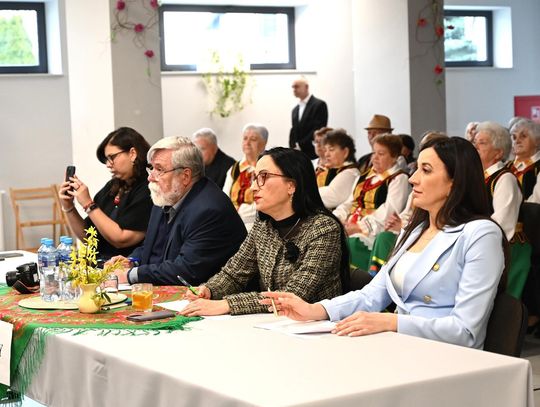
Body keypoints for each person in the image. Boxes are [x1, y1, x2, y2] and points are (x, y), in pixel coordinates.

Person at [263, 137, 507, 349]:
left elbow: (465, 331)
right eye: (417, 169)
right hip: (404, 344)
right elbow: (372, 295)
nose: (413, 179)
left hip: (448, 355)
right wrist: (315, 310)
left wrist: (392, 322)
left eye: (426, 170)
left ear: (455, 180)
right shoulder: (414, 231)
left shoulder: (480, 234)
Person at [180, 147, 349, 317]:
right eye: (255, 178)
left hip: (316, 327)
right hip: (273, 324)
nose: (253, 187)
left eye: (263, 177)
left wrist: (227, 304)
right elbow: (234, 274)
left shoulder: (324, 229)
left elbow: (292, 295)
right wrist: (209, 290)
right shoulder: (263, 225)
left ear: (291, 185)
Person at [109, 136, 247, 286]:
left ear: (185, 176)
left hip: (209, 295)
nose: (150, 178)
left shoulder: (209, 210)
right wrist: (132, 261)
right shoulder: (166, 197)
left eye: (159, 170)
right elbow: (152, 247)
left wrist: (130, 275)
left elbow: (186, 271)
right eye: (151, 168)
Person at [59, 127, 153, 259]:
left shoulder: (149, 188)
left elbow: (121, 239)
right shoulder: (114, 186)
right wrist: (68, 206)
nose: (108, 165)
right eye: (106, 160)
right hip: (103, 264)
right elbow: (89, 237)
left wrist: (88, 204)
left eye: (112, 157)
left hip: (129, 266)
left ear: (132, 153)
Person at [334, 134, 409, 271]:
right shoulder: (365, 177)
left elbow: (390, 211)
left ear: (394, 157)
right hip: (349, 226)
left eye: (381, 154)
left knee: (350, 244)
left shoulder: (399, 179)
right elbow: (349, 202)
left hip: (372, 232)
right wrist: (336, 219)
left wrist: (359, 227)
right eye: (374, 152)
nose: (375, 158)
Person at [473, 121, 529, 299]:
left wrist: (473, 240)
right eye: (475, 142)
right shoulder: (477, 178)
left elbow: (502, 223)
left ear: (498, 153)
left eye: (482, 143)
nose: (475, 147)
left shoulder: (504, 179)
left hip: (506, 248)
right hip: (482, 242)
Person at [223, 124, 269, 231]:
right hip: (233, 224)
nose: (247, 143)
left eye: (253, 139)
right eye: (245, 138)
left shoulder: (268, 168)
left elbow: (268, 202)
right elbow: (224, 199)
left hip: (260, 226)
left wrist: (239, 211)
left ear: (264, 143)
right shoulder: (235, 169)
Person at [317, 129, 359, 209]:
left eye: (331, 149)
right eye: (325, 150)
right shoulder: (327, 170)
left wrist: (305, 191)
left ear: (345, 152)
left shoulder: (351, 173)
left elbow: (332, 197)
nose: (326, 154)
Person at [289, 77, 328, 159]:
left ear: (306, 87)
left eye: (296, 86)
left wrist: (300, 145)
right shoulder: (295, 110)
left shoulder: (319, 105)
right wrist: (292, 147)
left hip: (313, 152)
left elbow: (318, 129)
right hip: (297, 154)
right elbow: (293, 130)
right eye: (293, 87)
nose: (294, 89)